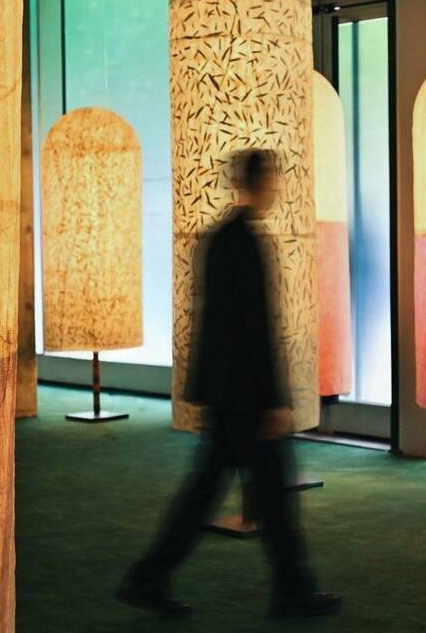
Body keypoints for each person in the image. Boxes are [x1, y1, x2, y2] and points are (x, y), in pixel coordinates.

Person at [117, 148, 342, 620]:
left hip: (226, 392)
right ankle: (290, 590)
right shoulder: (247, 245)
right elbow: (255, 329)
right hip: (248, 398)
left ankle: (151, 577)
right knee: (268, 495)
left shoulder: (218, 239)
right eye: (273, 180)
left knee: (210, 492)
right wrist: (275, 400)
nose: (276, 189)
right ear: (261, 183)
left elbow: (215, 324)